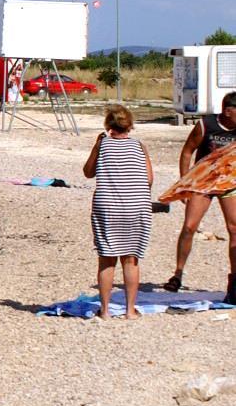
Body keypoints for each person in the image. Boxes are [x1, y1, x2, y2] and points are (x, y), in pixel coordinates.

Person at [84, 105, 153, 318]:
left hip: (108, 207)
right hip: (136, 207)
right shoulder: (139, 146)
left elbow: (88, 172)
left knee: (107, 259)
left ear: (108, 125)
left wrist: (97, 146)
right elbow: (149, 179)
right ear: (130, 125)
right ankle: (130, 310)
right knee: (131, 259)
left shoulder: (102, 145)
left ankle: (105, 311)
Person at [166, 91, 236, 296]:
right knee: (190, 226)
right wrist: (184, 183)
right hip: (202, 182)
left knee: (234, 228)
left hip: (228, 182)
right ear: (228, 111)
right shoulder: (206, 125)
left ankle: (234, 279)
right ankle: (178, 274)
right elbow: (187, 151)